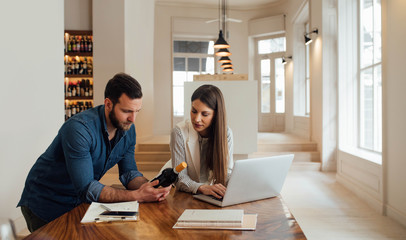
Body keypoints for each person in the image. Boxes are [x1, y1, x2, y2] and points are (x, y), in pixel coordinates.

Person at [17, 73, 171, 232]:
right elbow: (87, 188)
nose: (133, 119)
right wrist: (137, 196)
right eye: (127, 111)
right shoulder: (79, 129)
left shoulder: (127, 129)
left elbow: (129, 173)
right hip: (46, 202)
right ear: (108, 104)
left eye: (137, 111)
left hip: (79, 202)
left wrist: (150, 187)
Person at [170, 84, 233, 199]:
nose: (197, 119)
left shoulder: (226, 133)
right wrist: (202, 188)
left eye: (205, 114)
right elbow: (180, 178)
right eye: (194, 111)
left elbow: (227, 172)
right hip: (181, 193)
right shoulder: (179, 132)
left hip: (208, 195)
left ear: (216, 115)